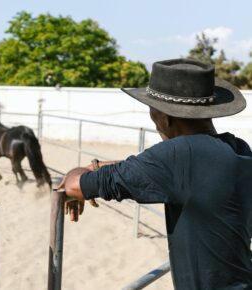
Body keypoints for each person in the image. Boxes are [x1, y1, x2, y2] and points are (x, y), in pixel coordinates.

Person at [58, 58, 252, 289]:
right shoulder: (238, 148)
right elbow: (164, 170)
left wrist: (78, 172)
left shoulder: (176, 156)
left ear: (165, 118)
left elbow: (75, 186)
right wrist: (99, 165)